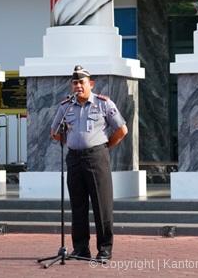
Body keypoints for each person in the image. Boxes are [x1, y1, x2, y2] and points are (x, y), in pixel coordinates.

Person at [50, 65, 128, 260]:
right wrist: (72, 141)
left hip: (97, 158)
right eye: (75, 83)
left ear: (91, 84)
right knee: (78, 205)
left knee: (101, 206)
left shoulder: (103, 104)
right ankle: (81, 248)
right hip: (74, 158)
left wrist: (105, 147)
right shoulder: (66, 106)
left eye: (81, 82)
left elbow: (122, 130)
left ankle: (104, 249)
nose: (78, 86)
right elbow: (54, 132)